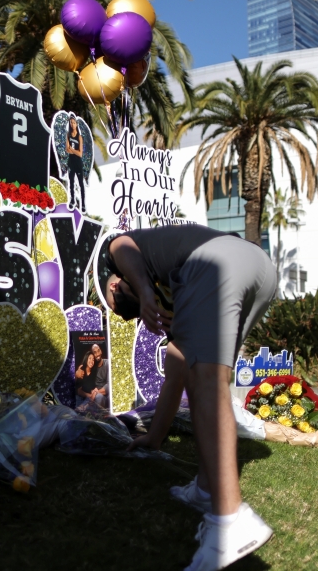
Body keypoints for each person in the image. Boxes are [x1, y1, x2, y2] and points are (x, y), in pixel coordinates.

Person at [105, 224, 277, 571]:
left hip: (218, 263)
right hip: (259, 270)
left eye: (129, 301)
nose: (142, 309)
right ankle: (204, 488)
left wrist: (144, 292)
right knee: (197, 367)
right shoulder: (176, 285)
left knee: (207, 381)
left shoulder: (125, 257)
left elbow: (120, 245)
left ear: (115, 282)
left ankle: (230, 520)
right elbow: (176, 375)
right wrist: (153, 438)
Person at [65, 116, 86, 212]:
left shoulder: (79, 137)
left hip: (78, 163)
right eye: (71, 123)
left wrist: (72, 150)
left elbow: (80, 153)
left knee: (81, 184)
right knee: (71, 182)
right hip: (71, 162)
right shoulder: (68, 135)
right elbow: (67, 149)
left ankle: (83, 204)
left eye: (74, 122)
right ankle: (72, 200)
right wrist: (74, 151)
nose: (72, 124)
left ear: (76, 124)